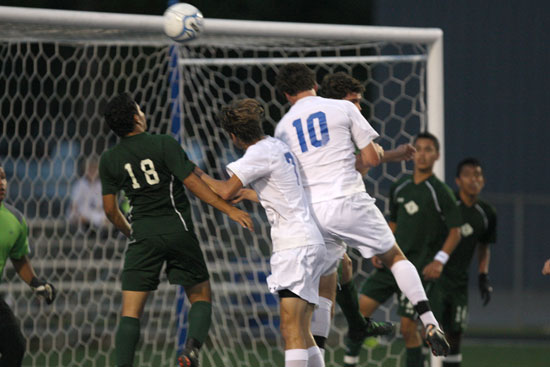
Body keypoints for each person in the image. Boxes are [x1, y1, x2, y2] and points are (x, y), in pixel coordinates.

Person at [273, 63, 450, 366]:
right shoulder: (342, 109)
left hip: (311, 214)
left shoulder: (282, 128)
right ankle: (429, 319)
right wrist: (381, 154)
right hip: (347, 199)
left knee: (326, 287)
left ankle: (333, 346)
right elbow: (368, 158)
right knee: (395, 257)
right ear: (315, 84)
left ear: (287, 94)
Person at [99, 93, 253, 367]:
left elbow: (111, 210)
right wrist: (228, 209)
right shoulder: (163, 144)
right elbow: (194, 184)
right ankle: (191, 351)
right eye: (140, 109)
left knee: (131, 313)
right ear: (136, 117)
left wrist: (130, 232)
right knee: (201, 296)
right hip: (177, 230)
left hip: (142, 236)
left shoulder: (109, 159)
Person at [195, 98, 327, 367]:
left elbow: (224, 190)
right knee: (301, 330)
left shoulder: (257, 153)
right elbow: (285, 193)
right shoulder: (277, 146)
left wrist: (194, 171)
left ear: (233, 136)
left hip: (294, 245)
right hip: (310, 241)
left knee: (290, 330)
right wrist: (250, 194)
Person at [318, 71, 416, 353]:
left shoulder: (328, 125)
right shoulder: (336, 126)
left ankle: (355, 325)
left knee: (342, 268)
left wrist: (396, 153)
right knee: (308, 304)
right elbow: (368, 159)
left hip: (323, 212)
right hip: (324, 210)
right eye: (353, 102)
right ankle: (346, 332)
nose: (358, 108)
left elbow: (370, 156)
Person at [357, 132, 462, 367]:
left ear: (437, 156)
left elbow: (456, 230)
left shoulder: (440, 191)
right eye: (419, 149)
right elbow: (392, 223)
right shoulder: (400, 187)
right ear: (412, 153)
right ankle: (349, 361)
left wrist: (439, 261)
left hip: (418, 268)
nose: (423, 154)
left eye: (428, 149)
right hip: (391, 262)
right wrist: (379, 249)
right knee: (359, 311)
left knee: (407, 329)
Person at [430, 158, 496, 367]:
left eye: (478, 175)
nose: (474, 179)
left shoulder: (486, 213)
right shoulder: (449, 206)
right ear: (458, 181)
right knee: (430, 332)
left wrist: (483, 276)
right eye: (468, 175)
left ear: (483, 181)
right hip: (437, 280)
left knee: (455, 335)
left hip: (459, 283)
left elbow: (484, 247)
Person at [0, 165, 56, 366]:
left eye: (4, 178)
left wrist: (35, 282)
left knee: (15, 347)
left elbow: (19, 257)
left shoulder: (15, 220)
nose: (2, 183)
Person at [68, 156, 108, 233]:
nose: (92, 171)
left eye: (94, 168)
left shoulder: (101, 185)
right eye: (90, 169)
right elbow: (73, 205)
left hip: (97, 216)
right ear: (85, 169)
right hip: (82, 216)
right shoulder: (79, 184)